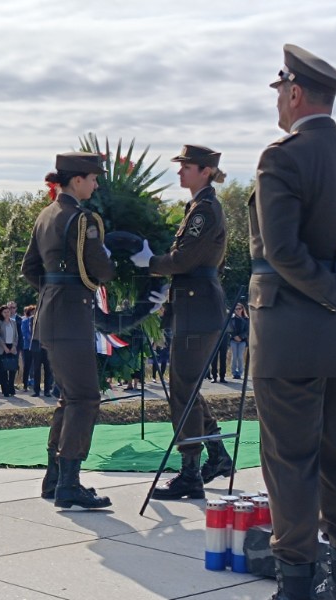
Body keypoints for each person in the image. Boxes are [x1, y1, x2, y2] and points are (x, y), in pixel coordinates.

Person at [251, 44, 336, 599]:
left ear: (294, 93)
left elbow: (284, 252)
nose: (278, 102)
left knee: (290, 462)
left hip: (290, 335)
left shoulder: (282, 157)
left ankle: (294, 581)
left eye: (279, 92)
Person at [131, 144, 234, 499]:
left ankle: (190, 471)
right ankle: (218, 454)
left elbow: (184, 258)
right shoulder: (198, 207)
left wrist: (151, 263)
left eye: (186, 167)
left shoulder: (204, 209)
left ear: (205, 171)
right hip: (194, 305)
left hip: (199, 307)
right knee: (185, 387)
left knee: (183, 391)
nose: (179, 172)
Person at [21, 151, 116, 509]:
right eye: (93, 178)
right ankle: (70, 483)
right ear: (77, 179)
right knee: (85, 398)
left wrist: (52, 291)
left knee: (69, 397)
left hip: (51, 314)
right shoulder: (81, 219)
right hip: (73, 314)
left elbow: (29, 268)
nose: (95, 184)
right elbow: (102, 270)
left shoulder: (46, 215)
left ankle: (55, 477)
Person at [0, 305, 18, 396]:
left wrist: (14, 346)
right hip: (3, 348)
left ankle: (11, 387)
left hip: (12, 347)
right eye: (5, 312)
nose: (7, 313)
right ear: (1, 313)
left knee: (13, 369)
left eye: (8, 312)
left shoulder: (13, 322)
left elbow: (16, 335)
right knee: (3, 370)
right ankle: (5, 389)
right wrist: (4, 347)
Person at [229, 303, 249, 379]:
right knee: (234, 357)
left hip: (242, 340)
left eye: (239, 308)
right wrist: (235, 336)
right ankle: (234, 373)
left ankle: (240, 373)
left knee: (240, 357)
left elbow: (247, 330)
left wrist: (240, 336)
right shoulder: (231, 318)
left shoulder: (246, 319)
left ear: (242, 309)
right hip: (233, 340)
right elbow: (230, 329)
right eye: (236, 309)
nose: (238, 310)